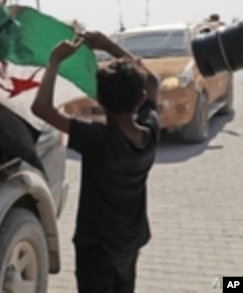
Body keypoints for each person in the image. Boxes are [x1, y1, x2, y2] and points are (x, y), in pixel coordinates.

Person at [31, 31, 160, 293]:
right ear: (140, 98)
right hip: (130, 244)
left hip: (97, 250)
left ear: (99, 100)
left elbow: (41, 108)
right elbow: (153, 81)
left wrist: (54, 61)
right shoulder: (151, 131)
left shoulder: (98, 139)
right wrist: (108, 46)